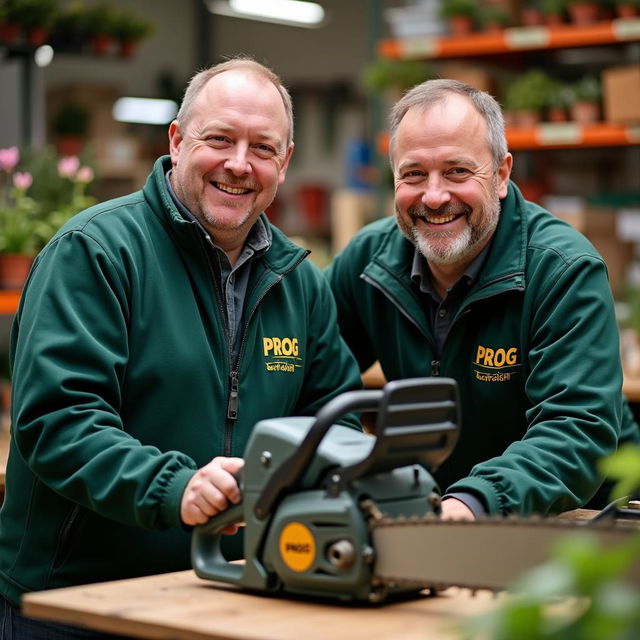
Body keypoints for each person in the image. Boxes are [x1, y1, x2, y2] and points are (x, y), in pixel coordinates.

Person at [0, 57, 362, 638]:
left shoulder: (298, 280)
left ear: (285, 161)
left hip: (231, 594)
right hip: (79, 604)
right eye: (219, 139)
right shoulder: (94, 254)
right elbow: (58, 422)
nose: (239, 164)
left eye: (263, 148)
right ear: (177, 139)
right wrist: (175, 487)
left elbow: (336, 419)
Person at [327, 78, 640, 521]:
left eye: (457, 171)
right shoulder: (368, 261)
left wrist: (473, 501)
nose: (434, 196)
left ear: (501, 175)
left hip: (582, 519)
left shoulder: (562, 269)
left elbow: (576, 431)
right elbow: (310, 375)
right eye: (414, 173)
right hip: (440, 515)